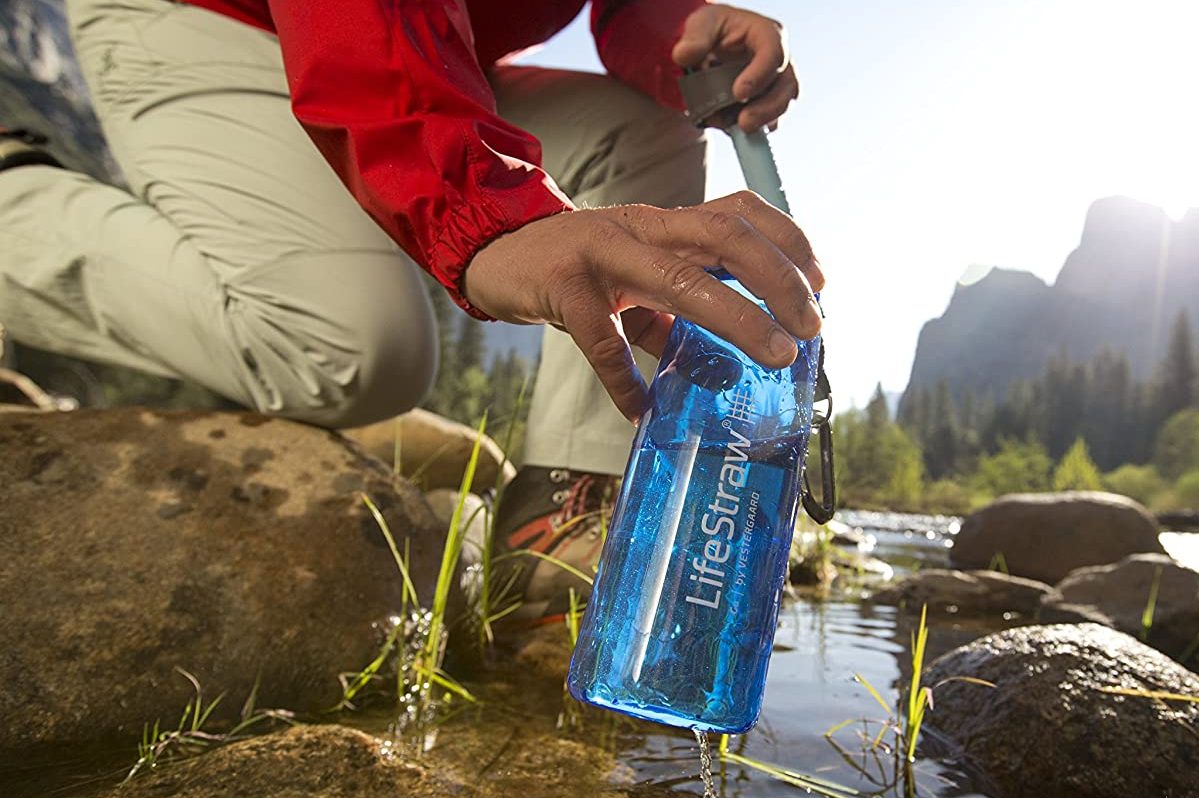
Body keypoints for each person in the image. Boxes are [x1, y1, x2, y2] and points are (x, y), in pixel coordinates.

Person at [0, 0, 823, 622]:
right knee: (353, 350)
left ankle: (565, 504)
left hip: (431, 41)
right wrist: (489, 217)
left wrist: (682, 27)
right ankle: (16, 206)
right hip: (219, 18)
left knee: (635, 135)